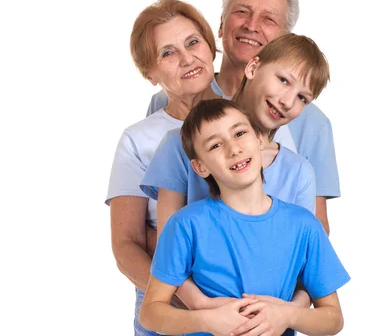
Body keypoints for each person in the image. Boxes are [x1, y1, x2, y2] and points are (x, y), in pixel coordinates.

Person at [141, 32, 330, 311]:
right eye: (283, 80)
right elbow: (166, 249)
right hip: (194, 318)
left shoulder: (299, 172)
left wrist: (286, 313)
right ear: (252, 68)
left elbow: (307, 267)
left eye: (302, 97)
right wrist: (206, 308)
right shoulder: (177, 146)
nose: (288, 101)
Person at [147, 0, 339, 234]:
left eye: (269, 19)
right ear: (221, 23)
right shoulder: (171, 101)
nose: (251, 25)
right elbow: (157, 224)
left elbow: (313, 230)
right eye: (242, 12)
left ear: (283, 40)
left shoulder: (310, 127)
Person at [140, 99, 350, 336]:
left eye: (239, 133)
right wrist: (207, 320)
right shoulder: (185, 225)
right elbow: (150, 313)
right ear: (200, 167)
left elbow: (333, 319)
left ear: (259, 139)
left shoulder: (304, 226)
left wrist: (288, 315)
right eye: (215, 145)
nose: (234, 149)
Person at [106, 0, 217, 335]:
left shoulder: (256, 123)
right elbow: (126, 247)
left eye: (193, 42)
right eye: (167, 53)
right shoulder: (137, 141)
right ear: (150, 73)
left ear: (211, 47)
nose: (187, 59)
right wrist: (191, 304)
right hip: (167, 308)